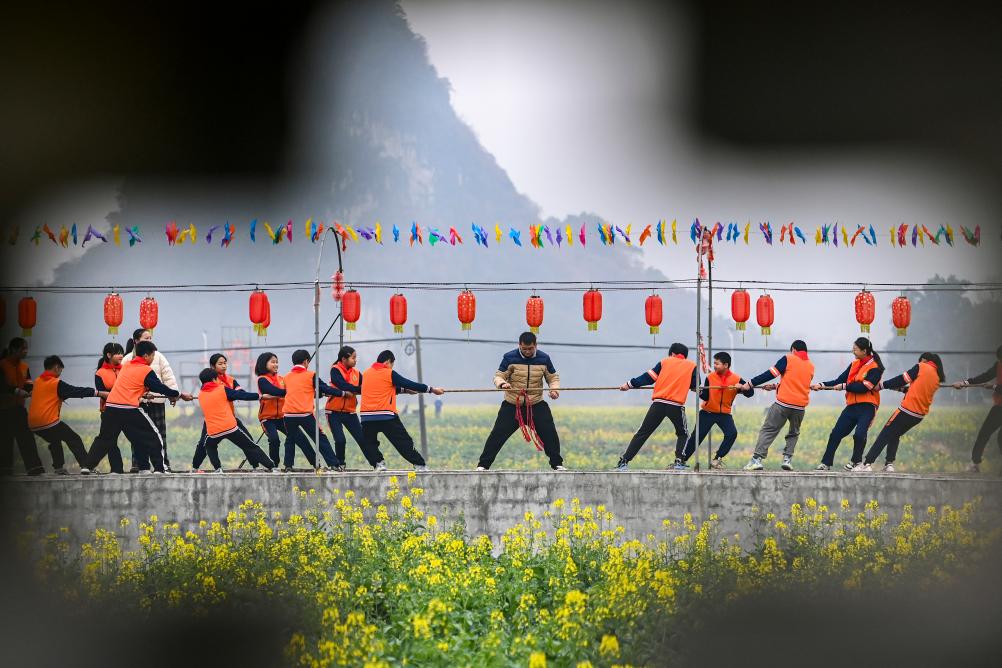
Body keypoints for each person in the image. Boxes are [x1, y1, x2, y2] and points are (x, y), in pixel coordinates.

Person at [82, 340, 193, 474]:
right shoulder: (146, 370)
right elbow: (159, 387)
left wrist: (143, 394)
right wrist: (178, 394)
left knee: (106, 439)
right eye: (153, 355)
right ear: (146, 356)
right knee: (154, 435)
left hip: (111, 408)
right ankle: (160, 468)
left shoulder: (126, 366)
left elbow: (131, 386)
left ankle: (87, 466)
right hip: (129, 409)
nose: (153, 359)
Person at [477, 332, 564, 471]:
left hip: (535, 403)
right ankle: (483, 465)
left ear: (536, 345)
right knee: (497, 434)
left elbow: (553, 378)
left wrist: (554, 390)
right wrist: (502, 384)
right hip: (513, 405)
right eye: (524, 349)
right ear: (519, 345)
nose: (527, 351)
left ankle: (557, 464)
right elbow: (498, 376)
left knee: (549, 433)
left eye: (530, 348)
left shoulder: (544, 358)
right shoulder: (509, 357)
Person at [615, 342, 698, 470]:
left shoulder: (665, 362)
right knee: (683, 433)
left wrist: (629, 384)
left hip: (658, 404)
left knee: (643, 432)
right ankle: (679, 461)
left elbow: (648, 377)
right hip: (675, 406)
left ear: (672, 354)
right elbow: (695, 385)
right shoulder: (692, 366)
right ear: (684, 356)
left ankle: (624, 461)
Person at [857, 352, 945, 472]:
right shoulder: (936, 377)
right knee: (895, 434)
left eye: (920, 360)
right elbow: (915, 390)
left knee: (885, 434)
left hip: (906, 410)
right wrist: (898, 388)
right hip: (918, 416)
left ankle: (866, 464)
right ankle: (889, 464)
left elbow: (903, 379)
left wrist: (882, 385)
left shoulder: (922, 367)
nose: (918, 363)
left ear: (924, 360)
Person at [359, 350, 443, 471]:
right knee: (403, 442)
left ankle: (378, 464)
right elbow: (408, 383)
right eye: (392, 364)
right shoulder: (389, 373)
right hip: (386, 416)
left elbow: (382, 387)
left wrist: (404, 390)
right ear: (388, 362)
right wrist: (432, 389)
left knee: (369, 443)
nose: (392, 367)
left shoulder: (366, 373)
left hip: (367, 417)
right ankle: (420, 465)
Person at [813, 337, 885, 471]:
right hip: (852, 406)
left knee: (859, 434)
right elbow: (840, 380)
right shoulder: (854, 364)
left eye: (855, 349)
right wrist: (822, 385)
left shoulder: (876, 367)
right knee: (835, 434)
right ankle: (826, 463)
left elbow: (865, 387)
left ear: (864, 351)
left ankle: (856, 462)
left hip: (867, 407)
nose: (853, 352)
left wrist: (845, 386)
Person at [742, 339, 815, 471]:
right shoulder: (811, 366)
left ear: (793, 350)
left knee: (769, 430)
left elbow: (770, 374)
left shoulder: (788, 358)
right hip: (799, 408)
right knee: (794, 433)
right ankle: (787, 459)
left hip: (783, 404)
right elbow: (797, 383)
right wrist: (776, 386)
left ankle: (756, 460)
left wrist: (750, 383)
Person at [27, 355, 108, 473]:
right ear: (56, 367)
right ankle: (87, 466)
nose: (60, 373)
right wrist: (99, 393)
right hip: (48, 422)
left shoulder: (38, 381)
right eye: (60, 370)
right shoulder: (55, 383)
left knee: (55, 439)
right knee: (74, 439)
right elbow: (76, 391)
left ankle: (59, 468)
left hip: (33, 424)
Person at [676, 351, 754, 470]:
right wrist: (698, 391)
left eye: (717, 364)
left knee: (732, 434)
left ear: (726, 365)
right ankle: (681, 461)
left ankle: (717, 459)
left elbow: (750, 393)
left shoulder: (736, 379)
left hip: (724, 414)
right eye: (714, 363)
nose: (714, 366)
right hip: (707, 413)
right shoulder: (710, 377)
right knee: (697, 436)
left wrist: (743, 388)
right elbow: (706, 396)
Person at [196, 368, 275, 472]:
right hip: (230, 428)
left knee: (209, 445)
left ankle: (218, 468)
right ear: (214, 379)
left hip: (214, 432)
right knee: (251, 446)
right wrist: (260, 396)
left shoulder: (200, 395)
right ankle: (271, 467)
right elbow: (241, 395)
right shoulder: (222, 389)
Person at [123, 328, 178, 471]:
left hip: (157, 402)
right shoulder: (127, 359)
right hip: (137, 404)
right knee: (137, 436)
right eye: (146, 338)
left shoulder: (158, 356)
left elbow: (168, 375)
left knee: (160, 435)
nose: (149, 341)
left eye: (150, 339)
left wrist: (173, 394)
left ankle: (163, 465)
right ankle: (138, 464)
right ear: (136, 341)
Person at [191, 353, 256, 471]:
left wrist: (244, 395)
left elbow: (240, 391)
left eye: (225, 363)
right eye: (220, 364)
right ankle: (195, 467)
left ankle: (255, 466)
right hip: (212, 421)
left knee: (248, 440)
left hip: (230, 418)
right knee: (203, 444)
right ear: (212, 366)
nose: (224, 366)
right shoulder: (209, 381)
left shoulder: (231, 380)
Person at [283, 349, 345, 471]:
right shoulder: (311, 375)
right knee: (320, 437)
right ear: (306, 361)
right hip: (305, 414)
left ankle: (288, 466)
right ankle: (334, 464)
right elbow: (324, 388)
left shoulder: (286, 377)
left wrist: (319, 393)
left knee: (290, 439)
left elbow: (299, 391)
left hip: (288, 415)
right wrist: (341, 393)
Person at [255, 351, 315, 472]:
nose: (276, 364)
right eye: (272, 362)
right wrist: (290, 392)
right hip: (267, 418)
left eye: (277, 362)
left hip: (283, 417)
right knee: (274, 439)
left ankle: (315, 463)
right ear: (263, 364)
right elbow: (273, 390)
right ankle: (274, 465)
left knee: (300, 438)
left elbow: (287, 389)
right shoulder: (262, 380)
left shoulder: (283, 379)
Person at [326, 346, 377, 468]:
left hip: (350, 413)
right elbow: (341, 385)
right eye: (353, 358)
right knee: (340, 440)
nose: (355, 360)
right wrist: (359, 389)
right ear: (344, 359)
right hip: (333, 412)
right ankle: (340, 464)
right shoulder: (335, 370)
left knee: (362, 439)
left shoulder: (357, 373)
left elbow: (367, 386)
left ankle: (375, 463)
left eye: (356, 357)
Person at [0, 337, 44, 475]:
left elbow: (28, 382)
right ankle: (5, 470)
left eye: (26, 348)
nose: (25, 351)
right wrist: (16, 391)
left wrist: (30, 390)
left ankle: (34, 469)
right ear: (13, 349)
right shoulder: (2, 365)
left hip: (19, 408)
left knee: (26, 438)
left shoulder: (24, 366)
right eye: (23, 348)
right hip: (4, 409)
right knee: (5, 440)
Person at [955, 345, 1002, 473]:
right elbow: (985, 376)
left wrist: (993, 387)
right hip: (999, 407)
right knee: (984, 434)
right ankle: (975, 464)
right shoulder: (998, 365)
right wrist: (966, 383)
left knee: (997, 437)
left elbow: (997, 387)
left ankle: (975, 464)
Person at [93, 342, 126, 473]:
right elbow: (102, 393)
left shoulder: (125, 370)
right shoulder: (100, 373)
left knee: (137, 438)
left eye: (122, 353)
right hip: (109, 411)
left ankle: (143, 466)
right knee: (110, 441)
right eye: (118, 353)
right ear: (109, 355)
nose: (121, 356)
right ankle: (117, 469)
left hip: (127, 410)